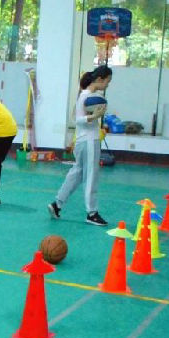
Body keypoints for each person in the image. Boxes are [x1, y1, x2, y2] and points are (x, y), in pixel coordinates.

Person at [48, 65, 112, 226]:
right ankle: (92, 213)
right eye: (107, 81)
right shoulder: (86, 97)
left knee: (76, 174)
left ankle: (57, 204)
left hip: (84, 141)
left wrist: (96, 118)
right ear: (100, 79)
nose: (108, 85)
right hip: (89, 141)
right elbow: (77, 120)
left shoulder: (86, 95)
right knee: (91, 176)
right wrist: (94, 116)